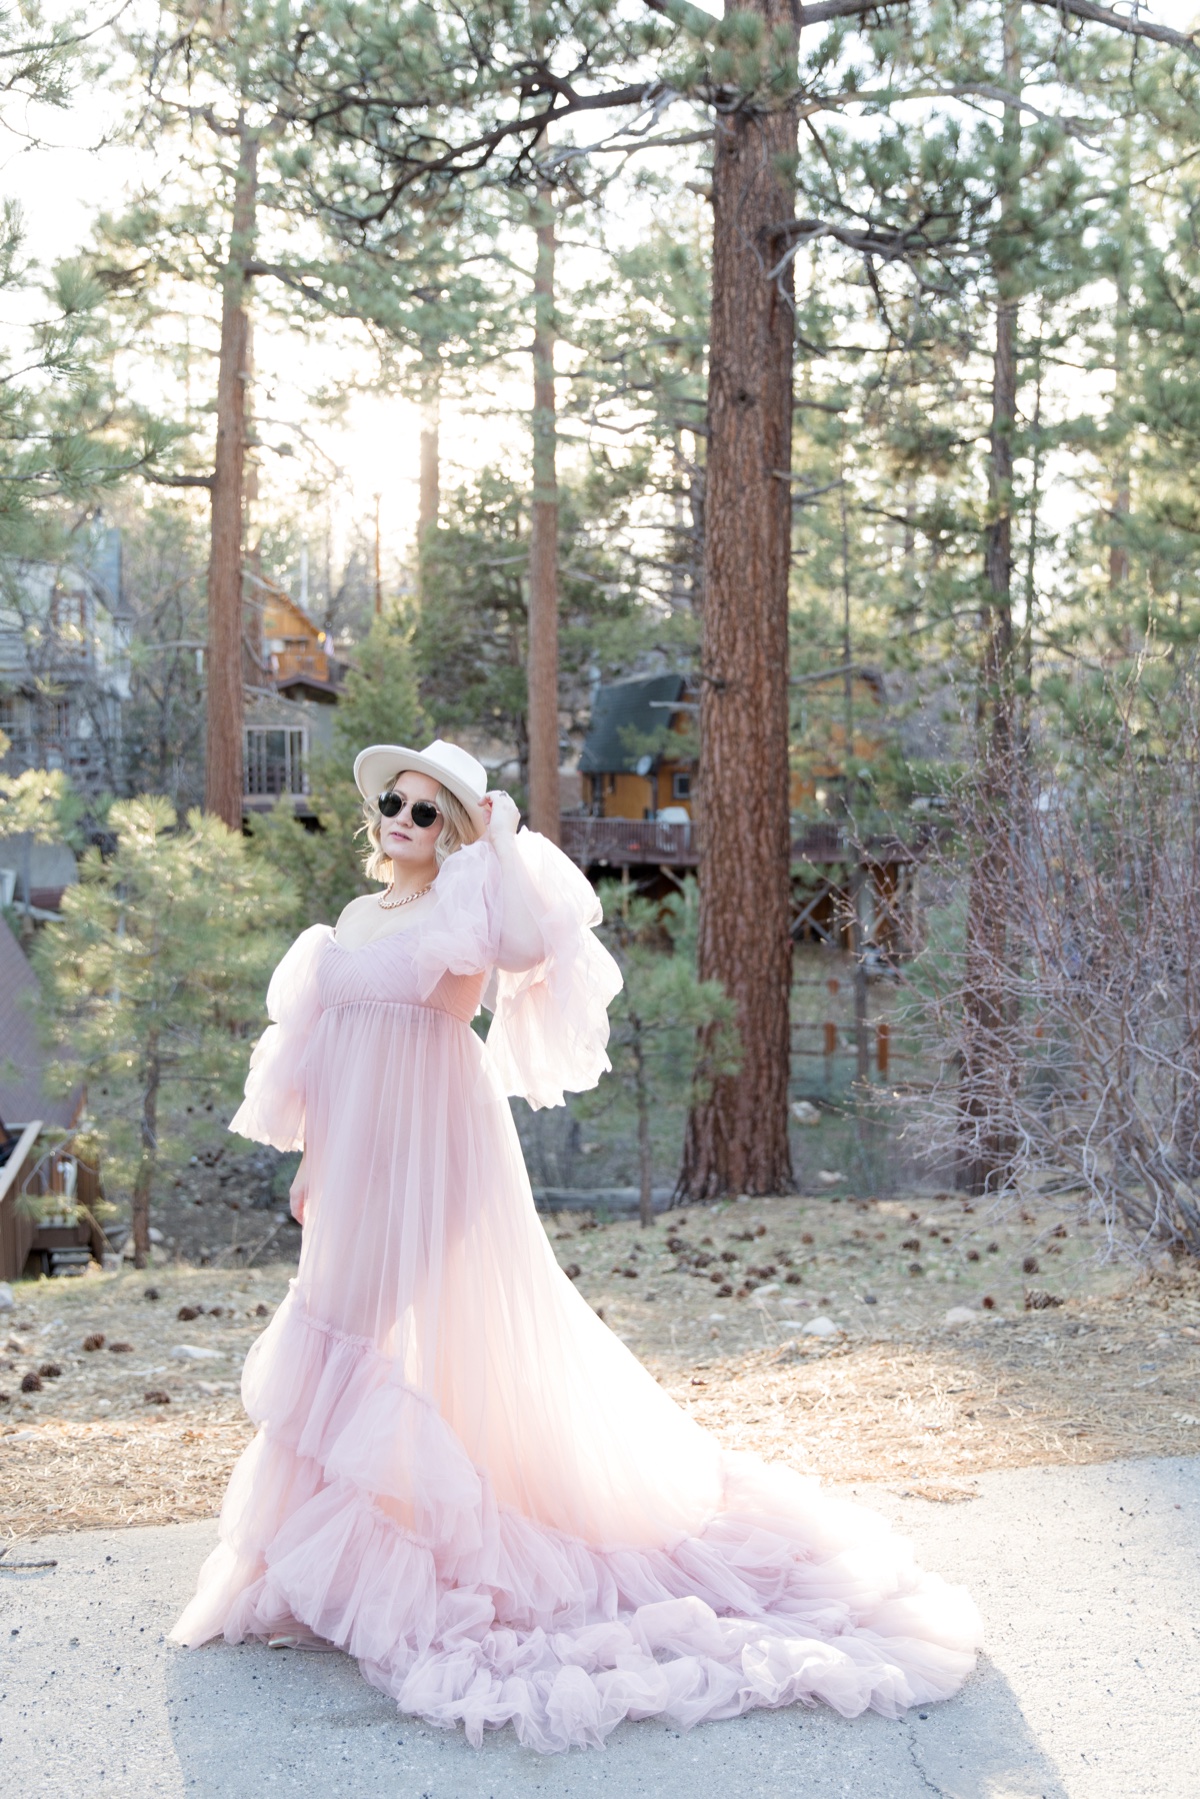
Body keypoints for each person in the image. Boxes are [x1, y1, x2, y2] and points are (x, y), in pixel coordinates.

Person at [170, 738, 980, 1752]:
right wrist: (312, 1166)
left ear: (454, 831)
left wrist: (502, 838)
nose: (403, 821)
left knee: (351, 1342)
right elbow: (331, 1058)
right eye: (393, 802)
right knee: (332, 1331)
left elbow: (520, 945)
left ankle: (378, 1569)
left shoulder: (468, 903)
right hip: (358, 1162)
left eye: (429, 812)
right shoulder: (349, 923)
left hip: (439, 1155)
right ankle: (296, 1568)